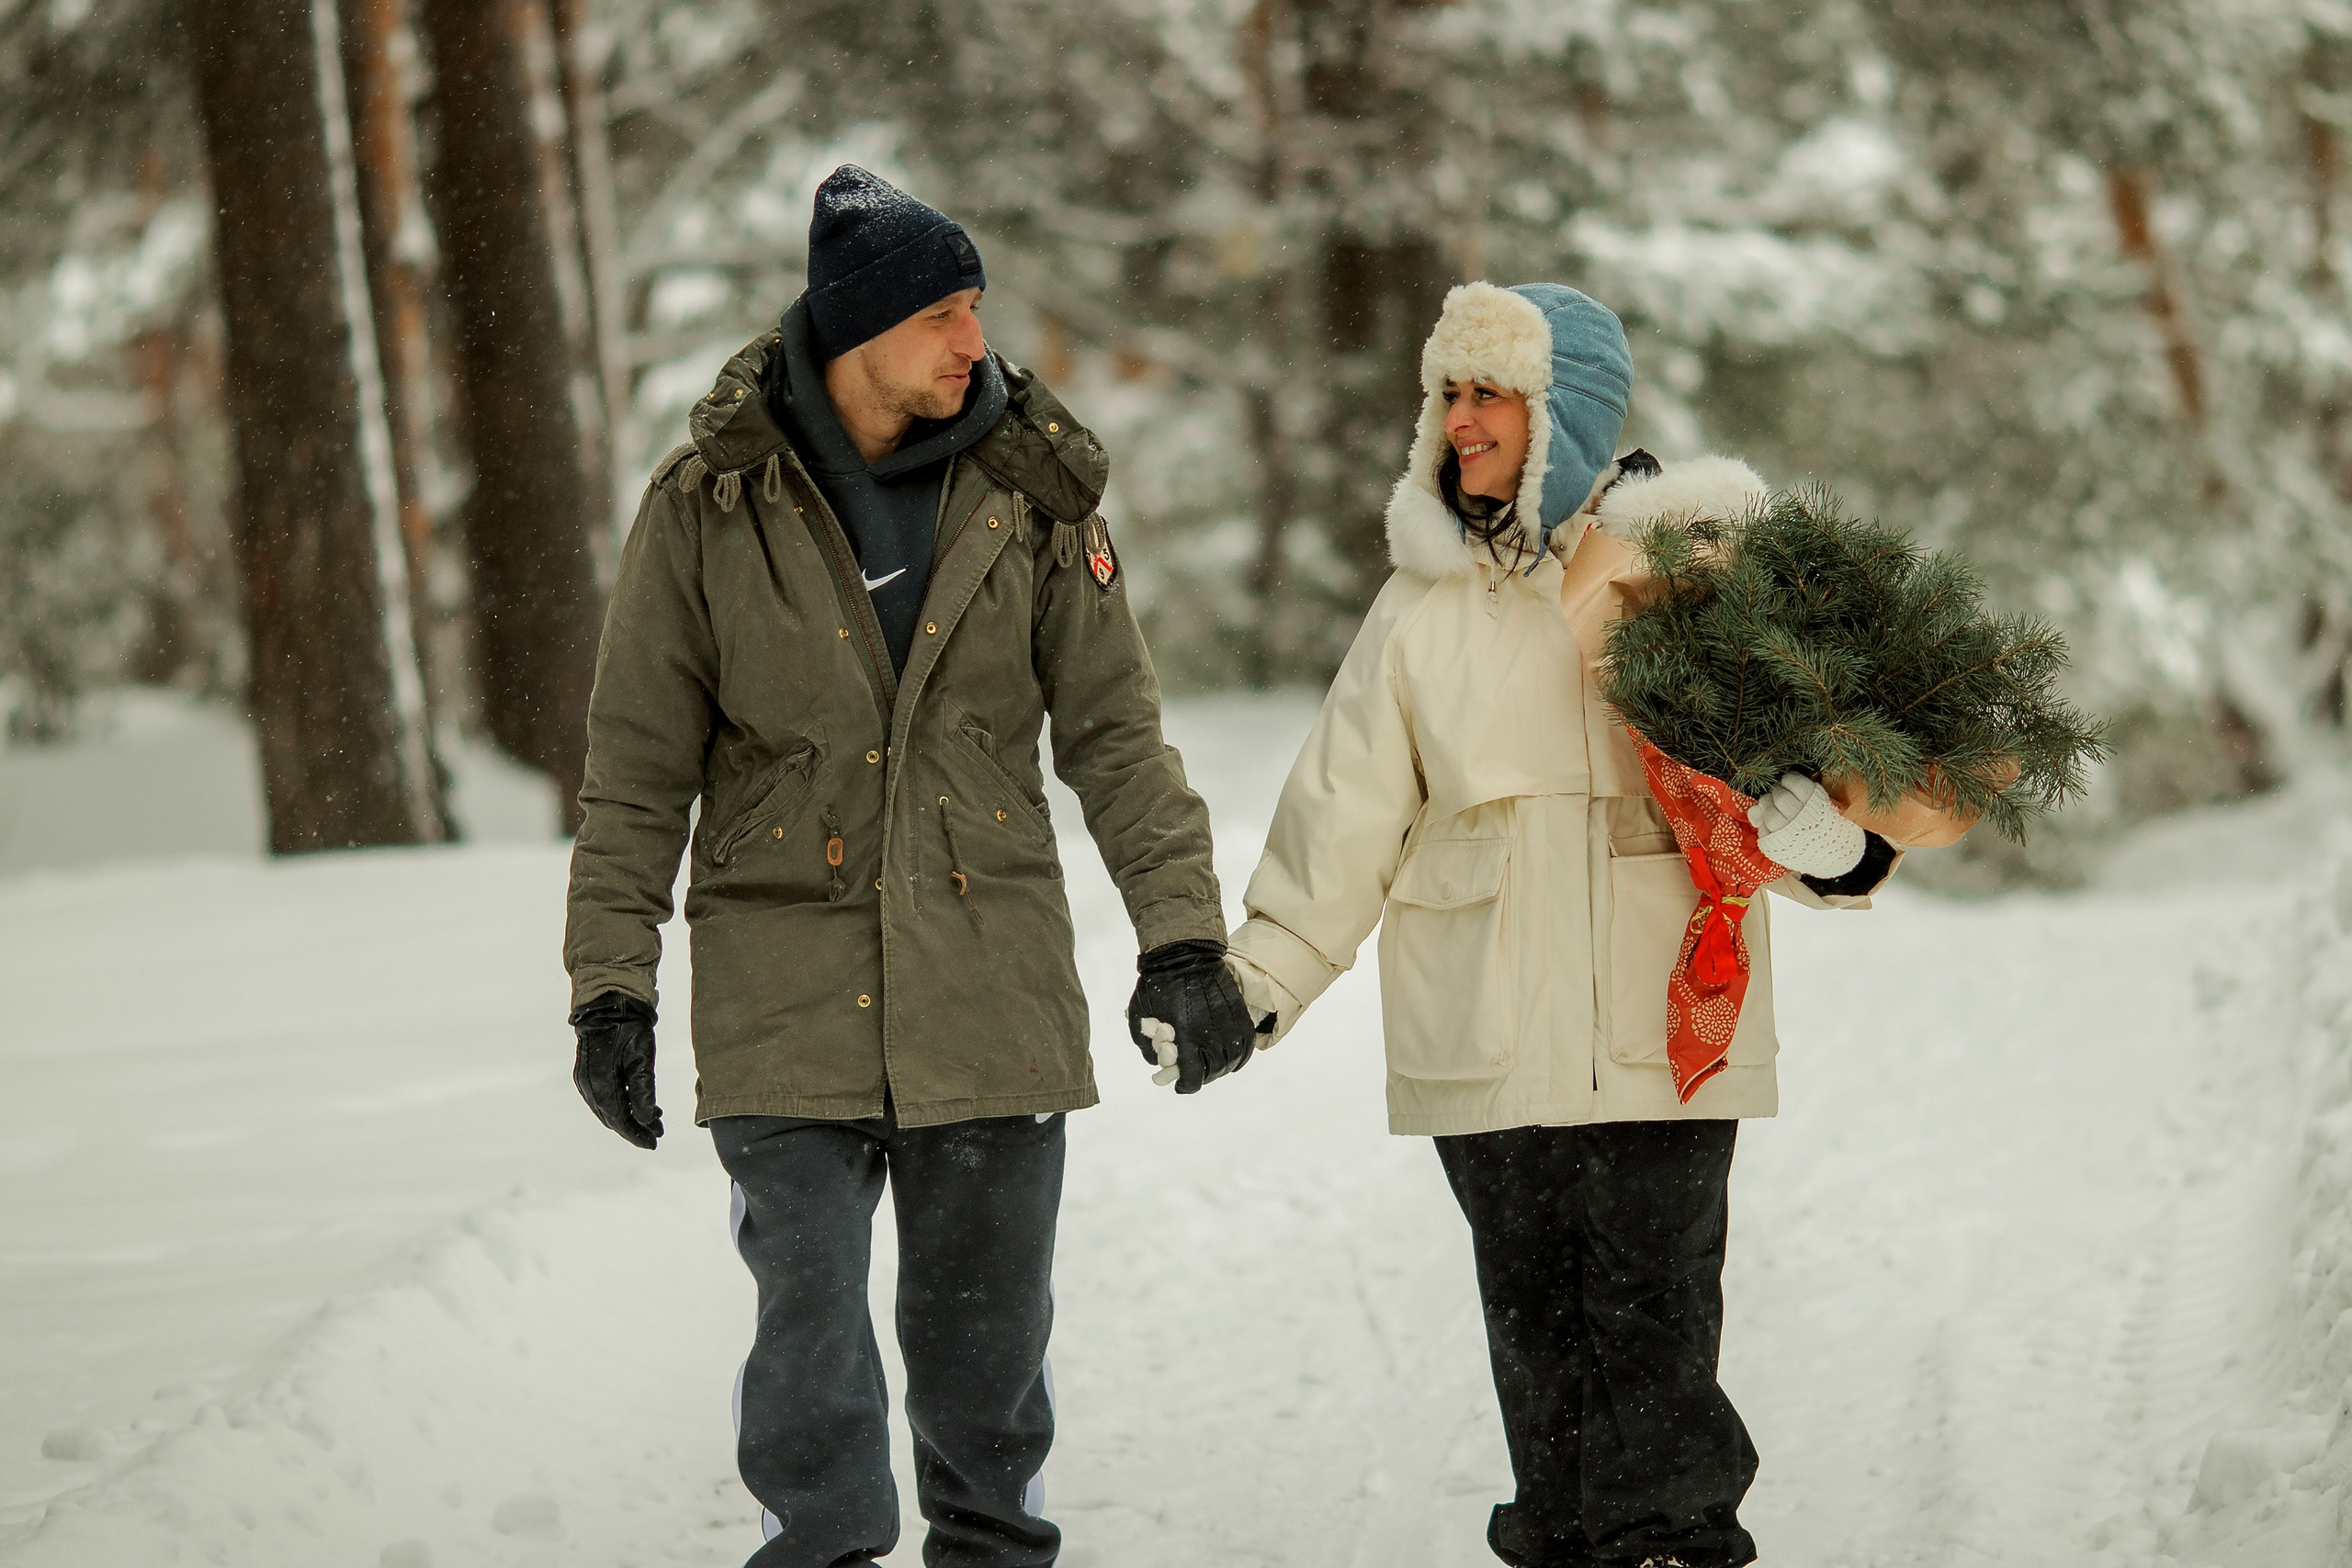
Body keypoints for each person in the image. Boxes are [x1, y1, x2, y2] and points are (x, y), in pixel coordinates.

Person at [561, 164, 1258, 1568]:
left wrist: (1183, 941)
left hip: (986, 978)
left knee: (986, 1361)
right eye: (944, 312)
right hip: (783, 984)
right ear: (855, 329)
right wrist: (610, 988)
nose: (973, 342)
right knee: (808, 1342)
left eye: (975, 308)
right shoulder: (709, 503)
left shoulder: (1036, 496)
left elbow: (1117, 738)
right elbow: (637, 770)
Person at [1220, 282, 1906, 1568]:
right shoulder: (1418, 608)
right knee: (1540, 1345)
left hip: (1662, 1032)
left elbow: (1844, 783)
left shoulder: (1692, 580)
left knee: (1652, 1332)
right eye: (1450, 392)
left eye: (1491, 392)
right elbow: (1342, 817)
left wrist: (1835, 845)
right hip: (1485, 1033)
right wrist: (1257, 978)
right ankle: (1567, 1541)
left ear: (1567, 415)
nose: (1459, 419)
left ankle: (1676, 1545)